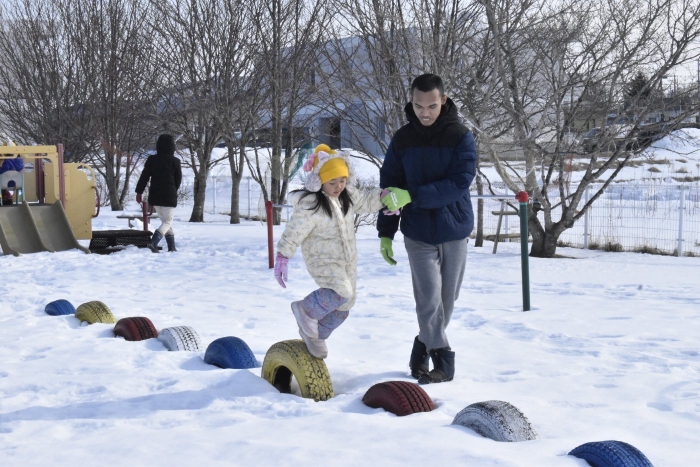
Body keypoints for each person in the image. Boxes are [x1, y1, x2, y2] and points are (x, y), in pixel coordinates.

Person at [377, 73, 477, 384]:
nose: (425, 112)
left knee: (447, 299)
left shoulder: (461, 136)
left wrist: (413, 195)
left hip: (453, 229)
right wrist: (386, 232)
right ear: (412, 101)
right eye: (419, 106)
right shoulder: (402, 139)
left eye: (432, 106)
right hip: (417, 231)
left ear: (443, 100)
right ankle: (443, 359)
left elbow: (458, 183)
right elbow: (389, 188)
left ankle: (421, 347)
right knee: (428, 299)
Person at [274, 144, 389, 359]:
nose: (338, 186)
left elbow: (366, 200)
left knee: (346, 306)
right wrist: (283, 256)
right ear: (319, 182)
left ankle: (317, 335)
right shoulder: (311, 204)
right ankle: (305, 310)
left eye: (342, 180)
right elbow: (294, 231)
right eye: (332, 182)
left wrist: (384, 197)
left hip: (346, 259)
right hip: (322, 259)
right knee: (341, 291)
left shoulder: (347, 196)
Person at [135, 134, 182, 252]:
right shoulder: (175, 161)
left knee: (165, 222)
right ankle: (153, 242)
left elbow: (144, 177)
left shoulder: (152, 160)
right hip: (169, 196)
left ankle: (171, 247)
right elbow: (178, 180)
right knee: (167, 222)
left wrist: (139, 192)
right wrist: (173, 191)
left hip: (155, 196)